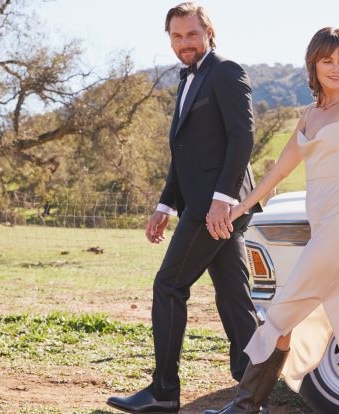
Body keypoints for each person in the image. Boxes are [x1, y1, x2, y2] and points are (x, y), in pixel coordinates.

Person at [204, 27, 339, 414]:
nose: (336, 68)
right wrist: (237, 208)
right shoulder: (309, 114)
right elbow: (276, 174)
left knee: (282, 310)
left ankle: (244, 406)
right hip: (326, 228)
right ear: (314, 64)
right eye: (328, 60)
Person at [107, 2, 261, 413]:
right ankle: (253, 396)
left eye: (191, 34)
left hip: (217, 205)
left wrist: (220, 202)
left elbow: (242, 138)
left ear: (208, 32)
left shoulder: (226, 71)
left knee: (169, 285)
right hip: (202, 203)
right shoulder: (187, 81)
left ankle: (164, 392)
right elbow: (184, 154)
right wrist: (165, 205)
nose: (184, 43)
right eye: (176, 36)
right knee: (233, 297)